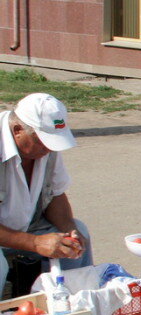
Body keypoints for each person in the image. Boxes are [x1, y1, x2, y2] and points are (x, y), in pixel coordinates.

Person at [0, 93, 92, 292]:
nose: (49, 149)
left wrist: (69, 229)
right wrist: (34, 243)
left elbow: (55, 195)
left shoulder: (45, 149)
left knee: (78, 236)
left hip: (27, 226)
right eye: (42, 141)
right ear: (17, 131)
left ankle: (72, 306)